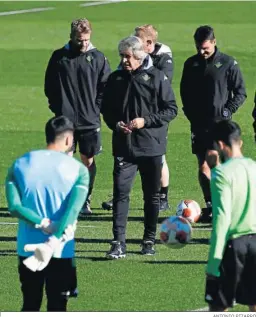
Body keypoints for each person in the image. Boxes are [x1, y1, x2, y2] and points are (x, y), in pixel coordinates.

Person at [101, 36, 178, 259]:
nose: (124, 60)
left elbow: (171, 109)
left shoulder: (156, 77)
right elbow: (106, 109)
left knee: (151, 196)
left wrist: (146, 121)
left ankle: (148, 240)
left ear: (139, 55)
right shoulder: (115, 78)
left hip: (151, 146)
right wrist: (115, 124)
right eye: (122, 56)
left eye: (127, 56)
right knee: (120, 194)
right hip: (124, 147)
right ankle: (118, 242)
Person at [5, 116, 89, 311]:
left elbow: (14, 207)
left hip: (27, 249)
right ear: (69, 140)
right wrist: (55, 233)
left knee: (30, 303)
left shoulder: (20, 164)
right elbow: (72, 211)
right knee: (58, 306)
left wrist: (43, 223)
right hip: (61, 249)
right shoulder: (78, 170)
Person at [180, 25, 247, 222]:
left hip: (220, 125)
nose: (202, 52)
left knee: (219, 166)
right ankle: (211, 204)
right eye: (199, 48)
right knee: (203, 166)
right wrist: (189, 112)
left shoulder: (228, 63)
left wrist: (227, 110)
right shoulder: (190, 64)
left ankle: (227, 204)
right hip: (199, 124)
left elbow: (240, 92)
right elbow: (185, 91)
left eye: (206, 48)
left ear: (214, 42)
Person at [44, 18, 111, 215]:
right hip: (65, 122)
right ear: (71, 36)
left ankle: (85, 200)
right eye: (79, 40)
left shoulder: (98, 57)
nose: (83, 44)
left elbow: (104, 88)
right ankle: (65, 200)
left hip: (89, 121)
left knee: (88, 161)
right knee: (65, 162)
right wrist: (58, 109)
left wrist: (95, 109)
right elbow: (50, 86)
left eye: (86, 40)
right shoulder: (59, 57)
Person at [205, 120, 256, 312]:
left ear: (219, 145)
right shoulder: (254, 167)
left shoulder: (221, 174)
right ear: (240, 142)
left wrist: (213, 264)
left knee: (219, 306)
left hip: (234, 247)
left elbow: (222, 219)